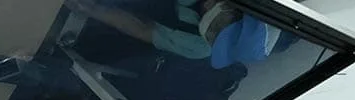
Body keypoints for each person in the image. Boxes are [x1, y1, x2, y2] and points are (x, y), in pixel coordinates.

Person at [65, 0, 283, 69]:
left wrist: (91, 9)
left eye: (215, 36)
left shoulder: (198, 48)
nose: (212, 32)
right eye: (224, 24)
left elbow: (141, 28)